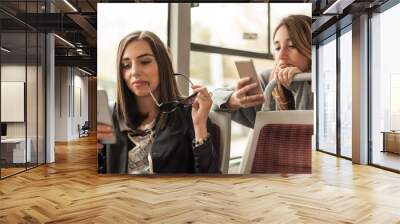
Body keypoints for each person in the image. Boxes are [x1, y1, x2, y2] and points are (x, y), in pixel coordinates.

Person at [97, 31, 219, 174]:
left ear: (163, 66)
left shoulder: (190, 115)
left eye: (145, 62)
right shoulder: (110, 117)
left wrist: (199, 127)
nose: (134, 71)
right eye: (126, 65)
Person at [212, 15, 313, 128]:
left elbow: (306, 135)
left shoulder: (325, 84)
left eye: (292, 46)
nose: (281, 55)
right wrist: (234, 100)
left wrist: (300, 86)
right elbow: (214, 97)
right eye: (277, 48)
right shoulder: (268, 80)